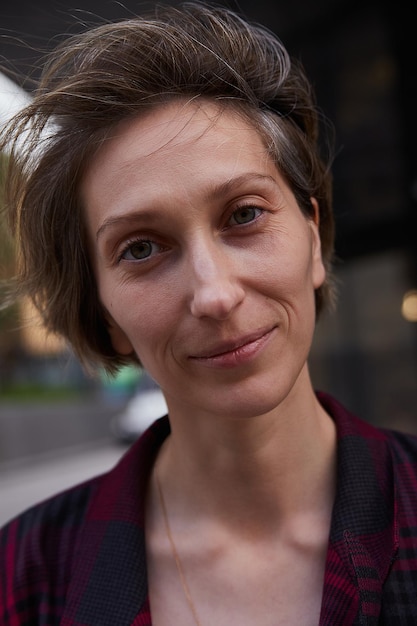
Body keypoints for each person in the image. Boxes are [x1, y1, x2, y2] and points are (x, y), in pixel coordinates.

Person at [0, 3, 416, 624]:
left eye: (244, 214)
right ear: (104, 311)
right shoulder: (24, 574)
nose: (214, 294)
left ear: (313, 234)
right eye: (140, 249)